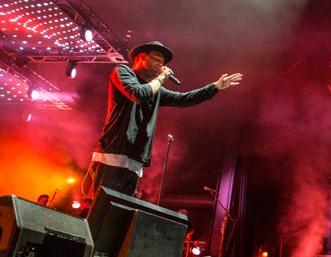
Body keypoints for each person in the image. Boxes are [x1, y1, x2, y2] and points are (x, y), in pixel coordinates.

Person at [84, 41, 243, 199]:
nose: (160, 64)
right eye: (156, 58)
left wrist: (214, 87)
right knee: (100, 209)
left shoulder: (156, 89)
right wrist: (161, 78)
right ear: (140, 58)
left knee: (118, 214)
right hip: (112, 154)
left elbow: (183, 99)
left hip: (134, 161)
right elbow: (139, 94)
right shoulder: (122, 72)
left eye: (162, 62)